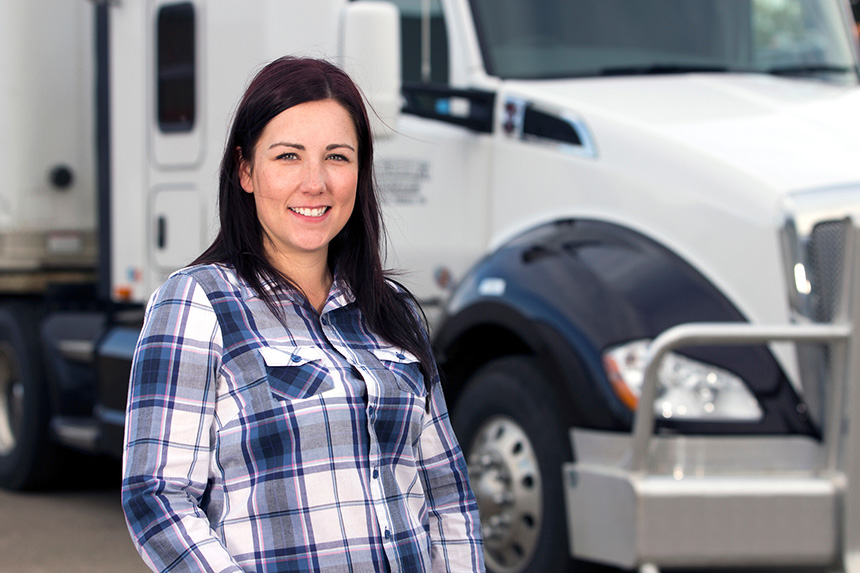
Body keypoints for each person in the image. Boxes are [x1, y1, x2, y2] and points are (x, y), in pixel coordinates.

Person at [121, 56, 485, 572]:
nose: (315, 183)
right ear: (245, 170)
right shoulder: (198, 303)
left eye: (337, 157)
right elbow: (156, 498)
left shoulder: (394, 313)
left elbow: (448, 498)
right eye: (288, 156)